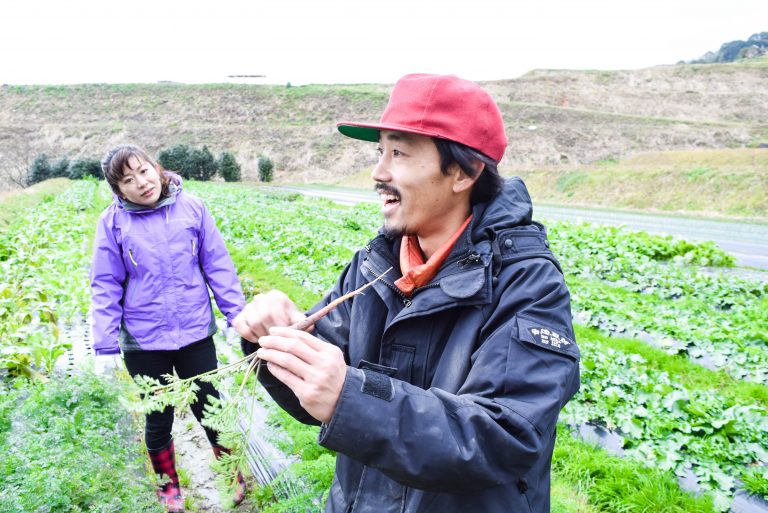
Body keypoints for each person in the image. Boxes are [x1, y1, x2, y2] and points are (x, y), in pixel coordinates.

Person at [234, 73, 580, 513]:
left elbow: (506, 435)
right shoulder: (376, 264)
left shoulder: (526, 282)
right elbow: (318, 399)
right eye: (380, 152)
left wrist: (352, 397)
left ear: (464, 171)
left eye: (398, 153)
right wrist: (274, 341)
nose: (379, 173)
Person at [90, 144, 247, 512]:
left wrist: (234, 315)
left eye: (144, 171)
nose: (142, 183)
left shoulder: (193, 208)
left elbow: (218, 264)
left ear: (155, 168)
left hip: (193, 331)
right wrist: (105, 343)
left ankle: (231, 473)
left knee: (211, 407)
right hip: (145, 340)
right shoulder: (112, 223)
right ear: (119, 190)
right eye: (128, 180)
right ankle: (168, 487)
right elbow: (105, 284)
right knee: (158, 416)